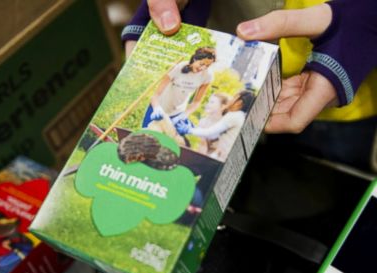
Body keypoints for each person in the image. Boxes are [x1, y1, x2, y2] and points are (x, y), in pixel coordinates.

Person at [122, 0, 377, 171]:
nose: (200, 69)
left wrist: (367, 16)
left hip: (339, 92)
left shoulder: (211, 86)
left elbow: (206, 116)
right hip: (231, 35)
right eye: (201, 65)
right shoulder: (186, 69)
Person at [142, 47, 216, 144]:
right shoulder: (179, 67)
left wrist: (185, 114)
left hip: (176, 114)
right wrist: (156, 108)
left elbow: (197, 102)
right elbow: (155, 95)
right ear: (195, 59)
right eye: (201, 64)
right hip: (158, 109)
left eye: (207, 66)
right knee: (146, 140)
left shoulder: (207, 76)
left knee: (175, 144)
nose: (203, 68)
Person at [178, 90, 255, 161]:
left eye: (234, 97)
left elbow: (209, 133)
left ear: (239, 102)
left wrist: (188, 129)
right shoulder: (241, 117)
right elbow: (213, 135)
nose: (231, 100)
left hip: (224, 157)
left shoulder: (234, 116)